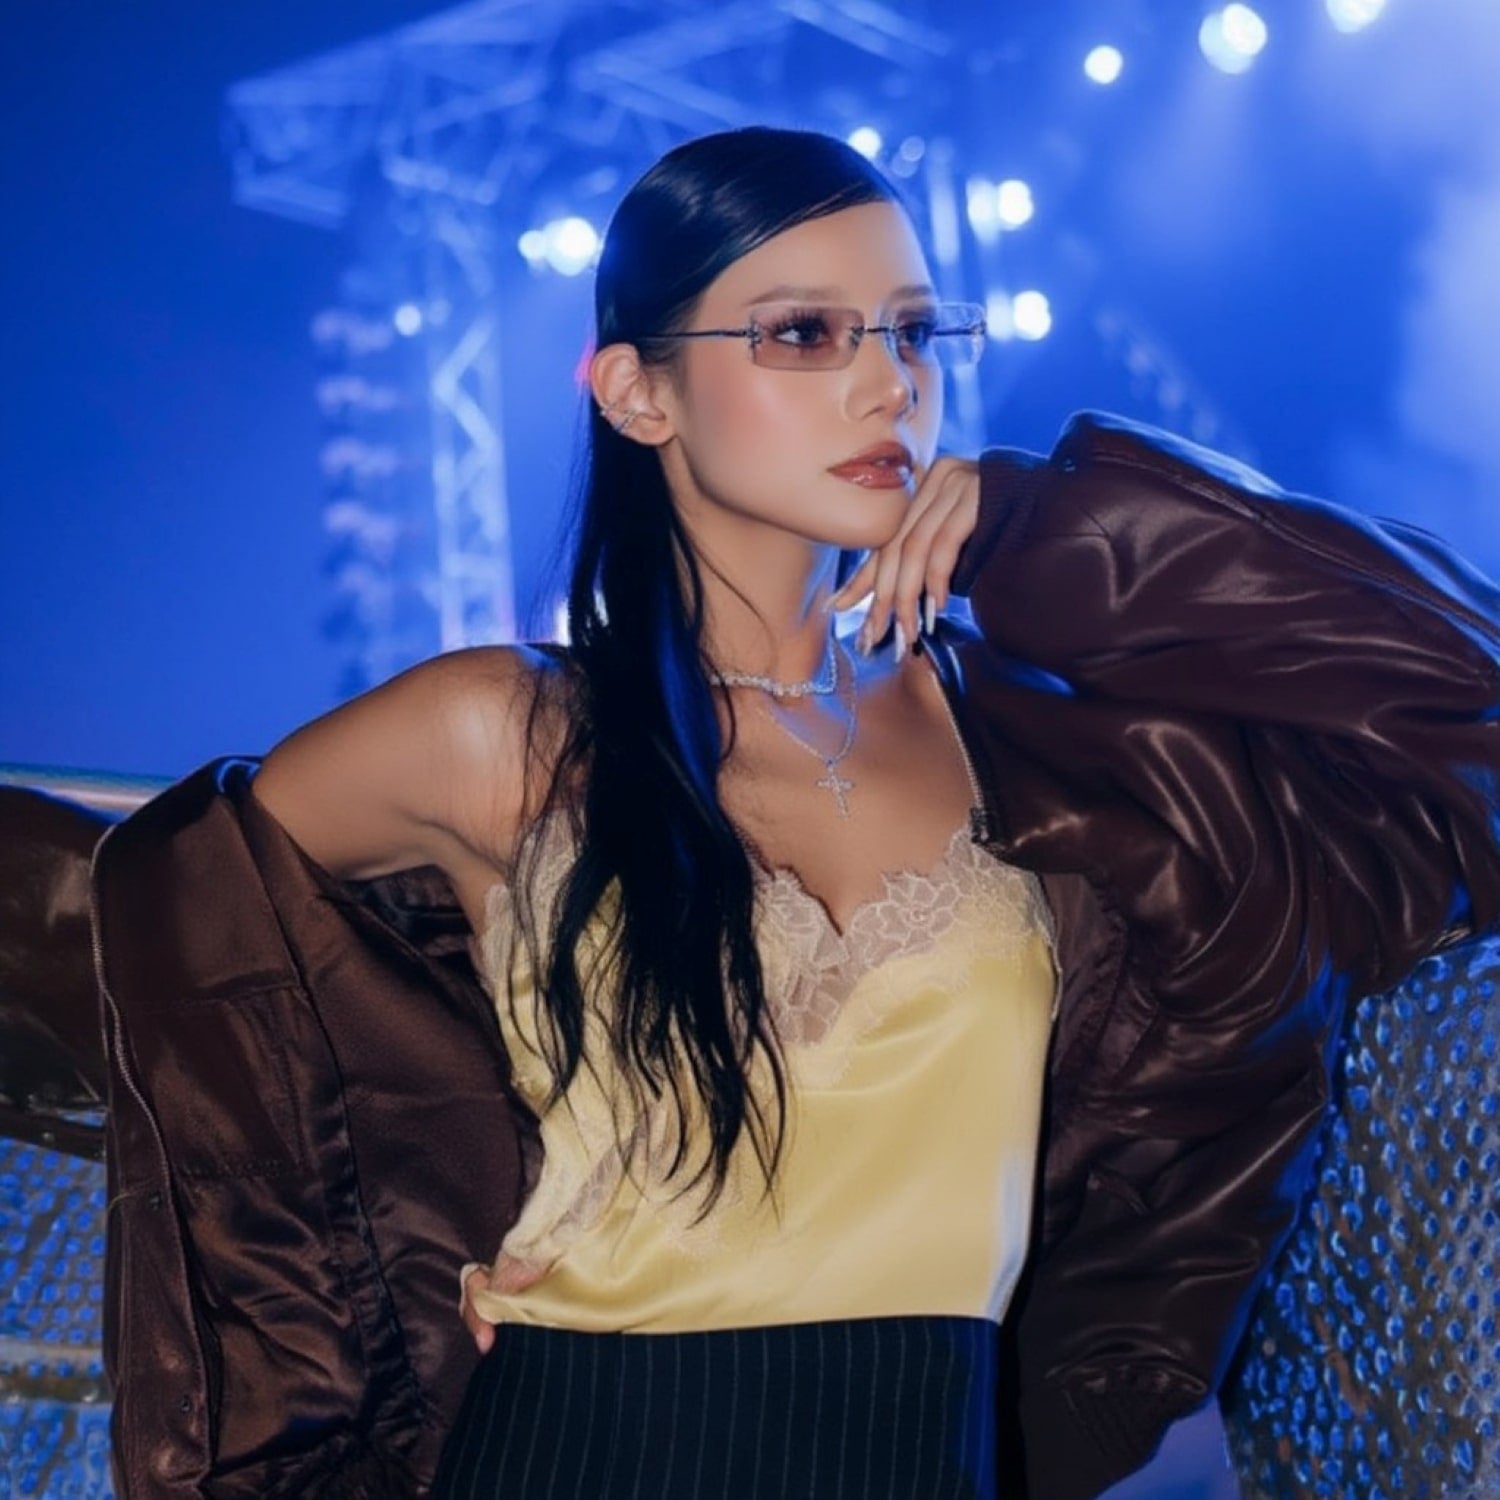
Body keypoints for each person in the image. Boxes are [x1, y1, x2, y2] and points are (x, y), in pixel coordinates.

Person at [92, 126, 1500, 1499]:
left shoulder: (1030, 733)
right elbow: (148, 934)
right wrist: (414, 1239)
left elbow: (1460, 697)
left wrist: (1059, 528)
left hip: (923, 1442)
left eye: (911, 332)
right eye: (805, 334)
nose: (887, 386)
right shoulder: (494, 731)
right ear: (638, 393)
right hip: (576, 1435)